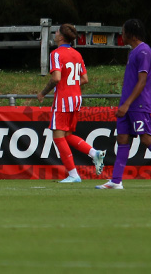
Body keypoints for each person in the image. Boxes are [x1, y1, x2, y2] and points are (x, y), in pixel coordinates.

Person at [96, 18, 151, 190]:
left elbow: (142, 81)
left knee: (145, 138)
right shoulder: (133, 52)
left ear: (131, 33)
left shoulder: (144, 51)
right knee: (122, 138)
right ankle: (116, 181)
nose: (121, 34)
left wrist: (127, 104)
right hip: (128, 103)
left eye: (123, 31)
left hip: (138, 104)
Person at [37, 23, 106, 183]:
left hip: (63, 98)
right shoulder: (77, 54)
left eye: (56, 32)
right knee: (67, 135)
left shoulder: (56, 54)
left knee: (57, 135)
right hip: (76, 98)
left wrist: (42, 93)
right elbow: (85, 79)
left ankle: (73, 174)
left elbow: (56, 78)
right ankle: (94, 153)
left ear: (61, 37)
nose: (54, 33)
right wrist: (71, 84)